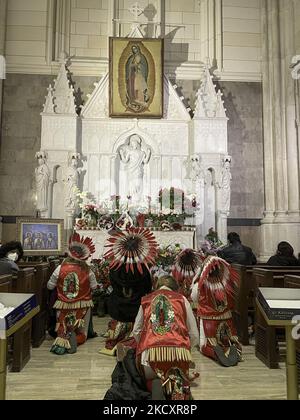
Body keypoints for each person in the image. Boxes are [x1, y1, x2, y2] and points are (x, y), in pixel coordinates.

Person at [133, 275, 199, 400]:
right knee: (180, 376)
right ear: (175, 289)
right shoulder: (182, 299)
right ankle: (177, 385)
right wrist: (186, 351)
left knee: (145, 373)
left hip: (151, 356)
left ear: (156, 287)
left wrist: (143, 347)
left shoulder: (146, 300)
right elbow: (194, 334)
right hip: (178, 355)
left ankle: (154, 384)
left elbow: (136, 331)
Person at [99, 227, 158, 356]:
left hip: (119, 306)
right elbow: (148, 288)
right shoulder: (143, 268)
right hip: (136, 307)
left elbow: (112, 284)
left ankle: (118, 338)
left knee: (113, 300)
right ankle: (133, 341)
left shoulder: (114, 267)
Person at [47, 233, 97, 355]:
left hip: (63, 305)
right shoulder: (87, 270)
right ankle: (76, 337)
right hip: (83, 305)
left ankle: (63, 337)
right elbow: (94, 287)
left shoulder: (60, 268)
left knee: (62, 327)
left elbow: (50, 286)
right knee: (82, 333)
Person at [191, 255, 242, 367]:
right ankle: (231, 346)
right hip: (227, 319)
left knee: (204, 345)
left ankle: (214, 352)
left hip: (208, 320)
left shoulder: (200, 284)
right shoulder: (226, 282)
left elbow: (194, 298)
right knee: (227, 338)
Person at [119, 135, 151, 203]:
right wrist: (121, 153)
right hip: (131, 171)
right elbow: (125, 160)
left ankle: (138, 201)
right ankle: (132, 202)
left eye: (134, 144)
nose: (133, 145)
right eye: (132, 144)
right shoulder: (130, 152)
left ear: (137, 144)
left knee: (138, 185)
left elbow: (145, 161)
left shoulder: (142, 153)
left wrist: (148, 153)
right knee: (132, 186)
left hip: (138, 171)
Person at [126, 45, 149, 112]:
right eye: (133, 49)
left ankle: (140, 100)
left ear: (138, 49)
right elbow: (128, 66)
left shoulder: (142, 57)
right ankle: (133, 100)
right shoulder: (131, 58)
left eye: (135, 49)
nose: (134, 50)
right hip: (133, 75)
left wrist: (138, 66)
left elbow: (144, 66)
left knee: (139, 88)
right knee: (133, 88)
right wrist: (132, 66)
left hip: (139, 75)